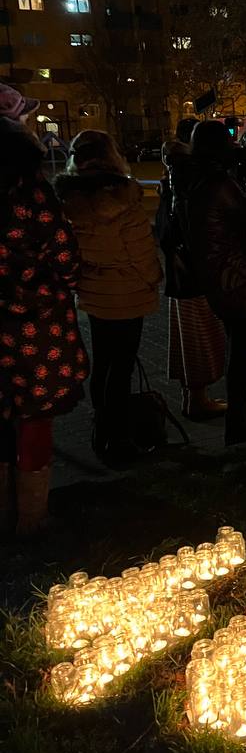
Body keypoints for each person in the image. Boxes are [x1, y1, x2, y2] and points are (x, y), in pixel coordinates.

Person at [1, 120, 88, 536]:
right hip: (35, 328)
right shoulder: (32, 198)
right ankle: (32, 518)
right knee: (34, 418)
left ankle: (5, 510)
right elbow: (65, 254)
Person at [55, 131, 162, 468]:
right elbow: (141, 249)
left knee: (102, 362)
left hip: (94, 290)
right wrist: (152, 279)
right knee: (122, 365)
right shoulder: (122, 195)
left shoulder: (68, 198)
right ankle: (117, 439)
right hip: (128, 290)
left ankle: (102, 428)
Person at [175, 120, 246, 446]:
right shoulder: (219, 184)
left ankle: (241, 418)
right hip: (235, 276)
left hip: (218, 276)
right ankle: (238, 422)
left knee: (239, 352)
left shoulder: (190, 181)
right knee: (241, 355)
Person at [157, 120, 227, 422]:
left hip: (183, 271)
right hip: (195, 273)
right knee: (199, 337)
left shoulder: (174, 181)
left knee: (191, 337)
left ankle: (194, 397)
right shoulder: (193, 181)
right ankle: (197, 399)